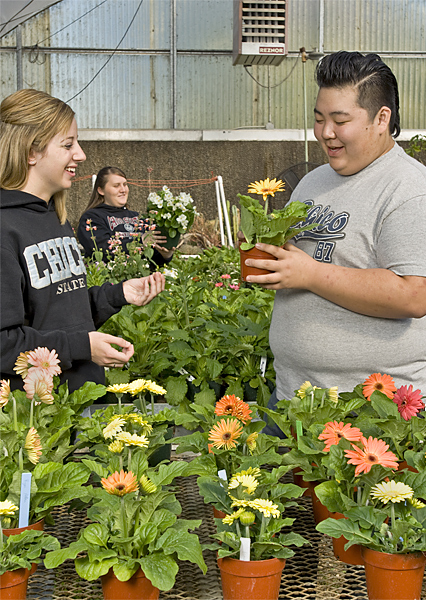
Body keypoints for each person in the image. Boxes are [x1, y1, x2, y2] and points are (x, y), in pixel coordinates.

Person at [242, 51, 426, 436]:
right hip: (294, 396)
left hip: (368, 411)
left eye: (340, 120)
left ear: (381, 119)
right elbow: (302, 263)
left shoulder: (408, 188)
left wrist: (309, 274)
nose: (325, 132)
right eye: (319, 118)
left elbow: (413, 295)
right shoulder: (314, 182)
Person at [0, 89, 166, 393]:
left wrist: (118, 294)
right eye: (68, 144)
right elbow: (2, 345)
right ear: (30, 152)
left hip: (79, 403)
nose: (81, 154)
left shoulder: (56, 218)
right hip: (41, 421)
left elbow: (60, 313)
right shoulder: (5, 228)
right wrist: (81, 346)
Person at [77, 166, 174, 268]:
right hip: (109, 281)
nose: (123, 190)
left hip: (140, 280)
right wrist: (139, 241)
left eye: (125, 185)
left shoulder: (137, 217)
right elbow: (102, 250)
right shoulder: (92, 218)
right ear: (101, 190)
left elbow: (151, 261)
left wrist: (165, 255)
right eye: (116, 186)